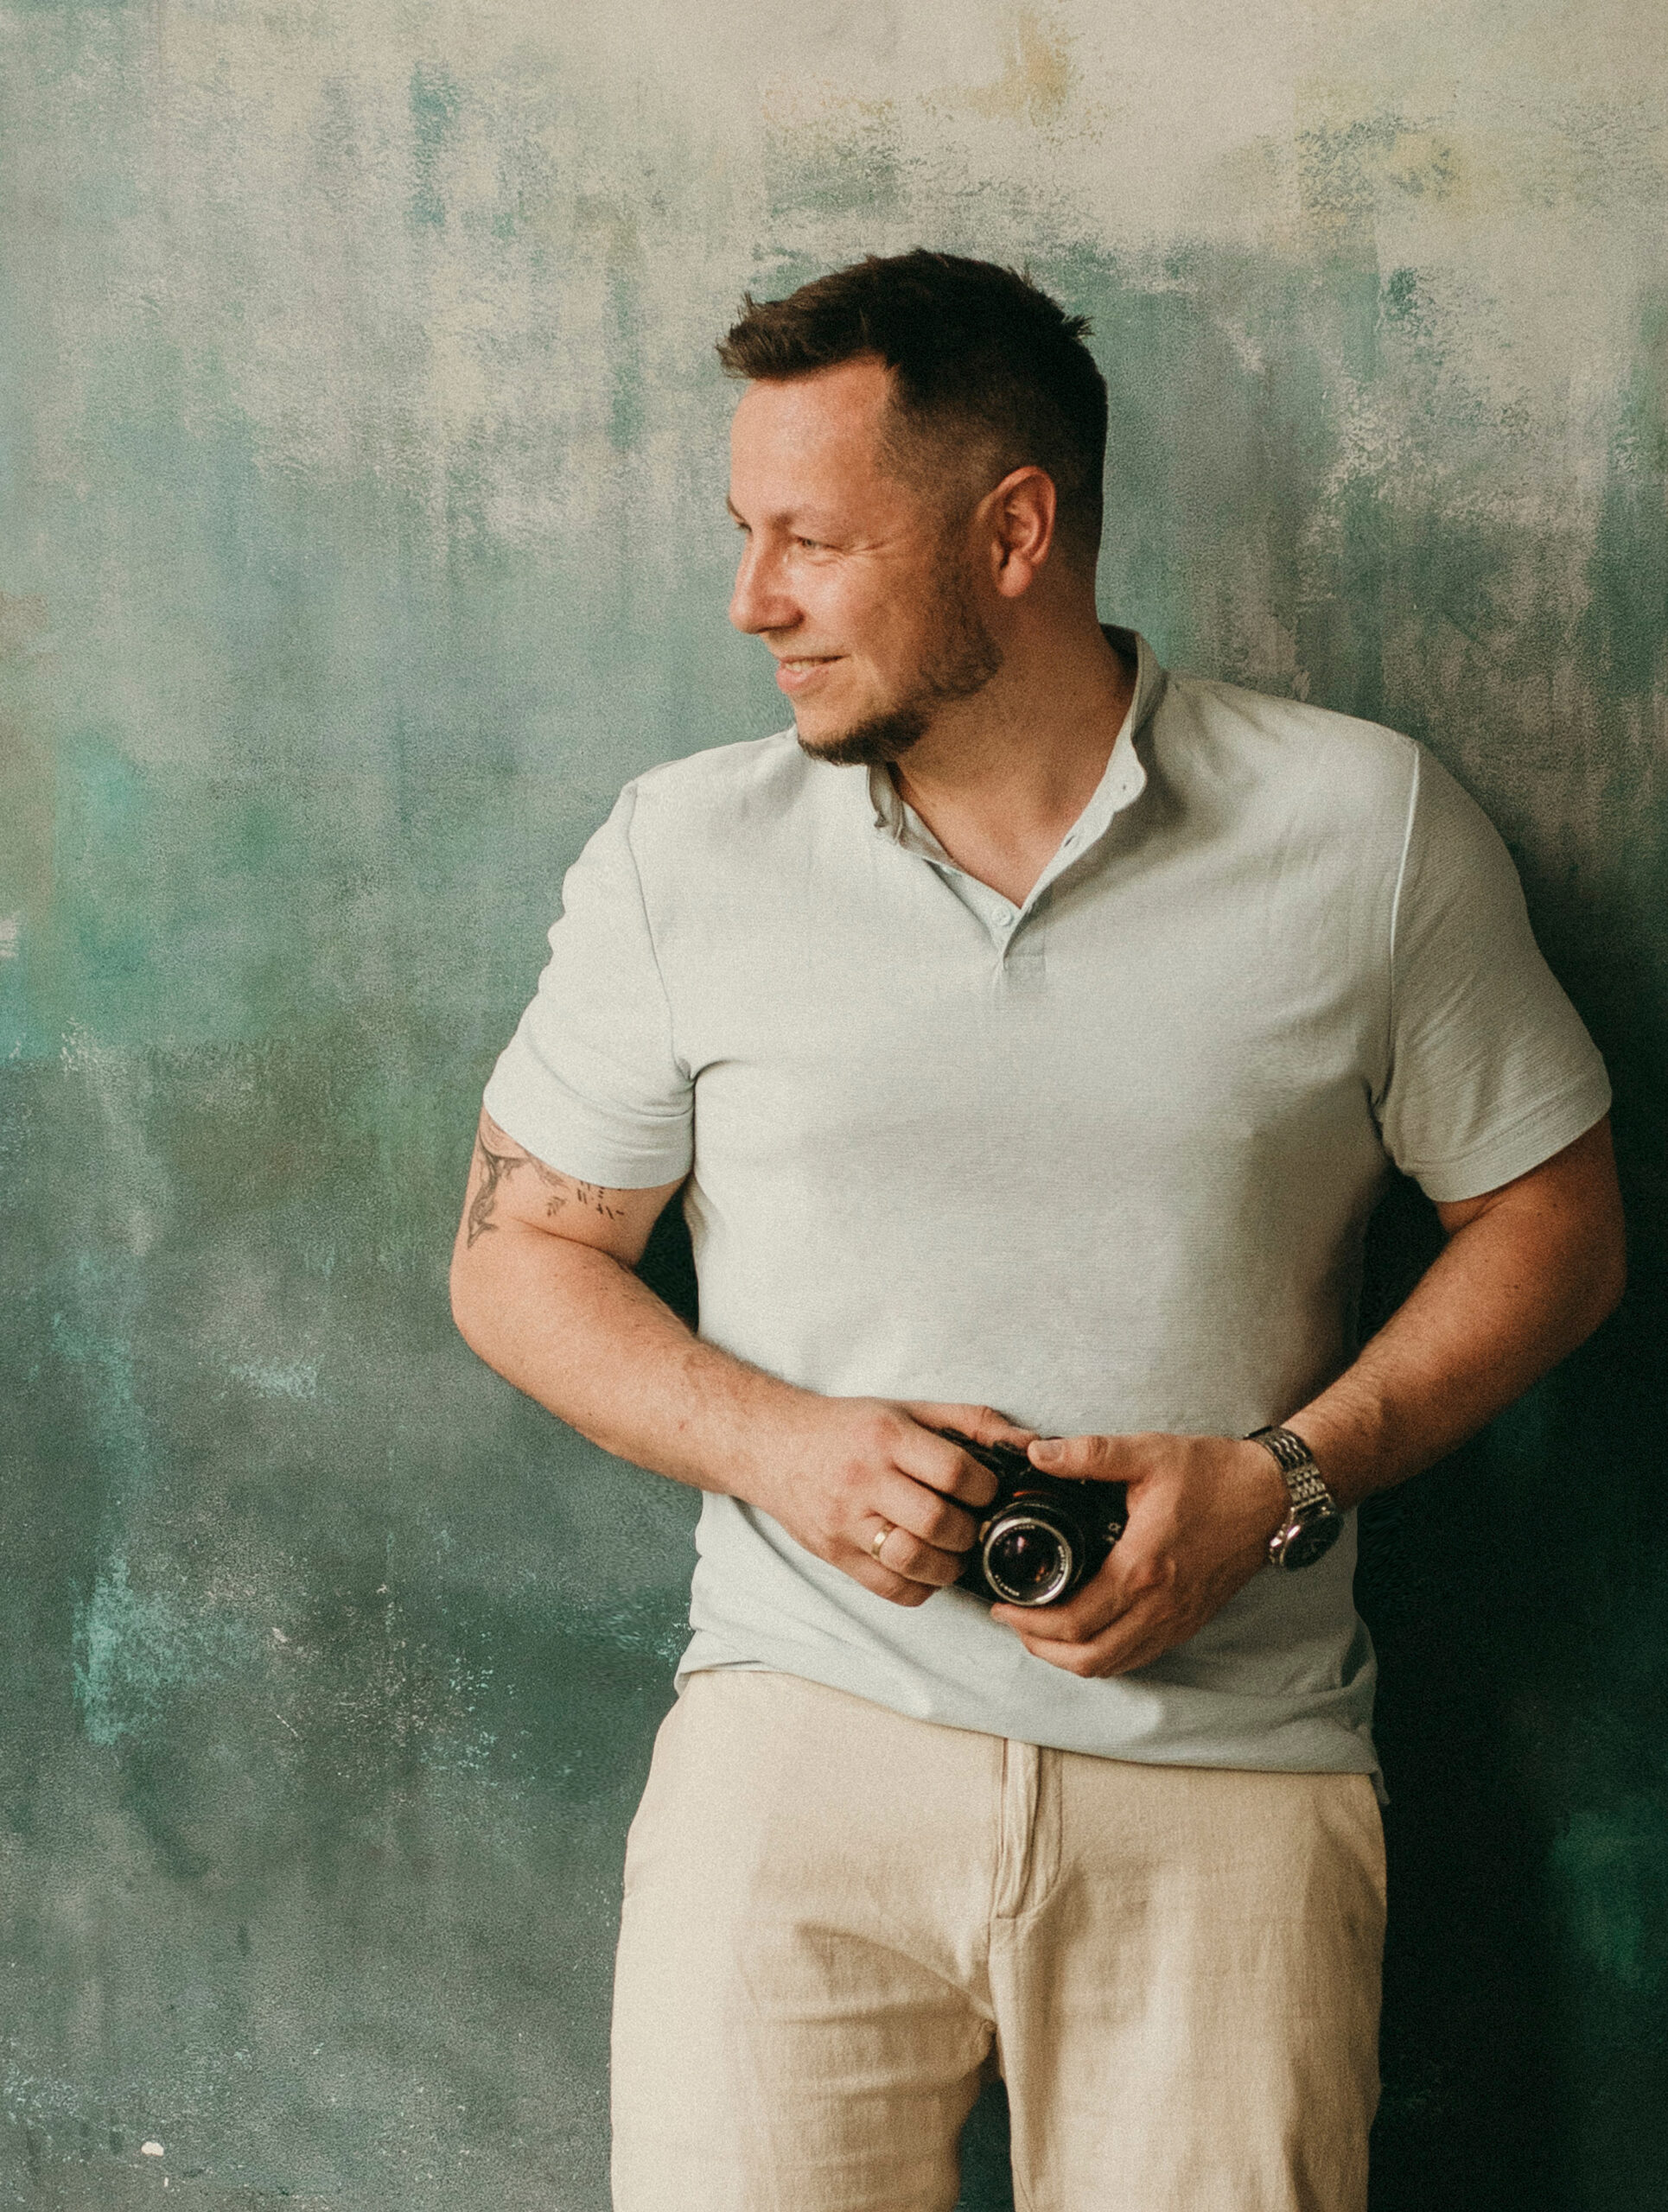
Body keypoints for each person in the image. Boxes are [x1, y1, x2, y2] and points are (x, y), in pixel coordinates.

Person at [449, 251, 1626, 2212]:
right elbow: (516, 1254)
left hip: (1233, 1779)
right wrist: (788, 1450)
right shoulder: (679, 851)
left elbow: (1552, 1222)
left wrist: (1278, 1482)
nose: (753, 599)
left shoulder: (1365, 828)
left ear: (1013, 531)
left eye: (814, 541)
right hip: (791, 1761)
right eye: (745, 533)